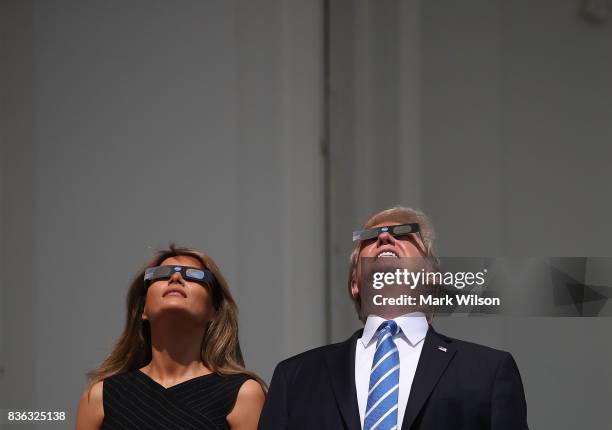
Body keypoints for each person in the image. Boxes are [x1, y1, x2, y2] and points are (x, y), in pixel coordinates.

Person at [259, 206, 528, 429]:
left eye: (403, 232)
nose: (384, 238)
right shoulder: (296, 377)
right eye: (370, 236)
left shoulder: (488, 371)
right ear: (355, 281)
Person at [76, 245, 266, 430]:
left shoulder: (243, 394)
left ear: (213, 312)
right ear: (143, 309)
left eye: (194, 275)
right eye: (161, 274)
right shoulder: (100, 397)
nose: (176, 277)